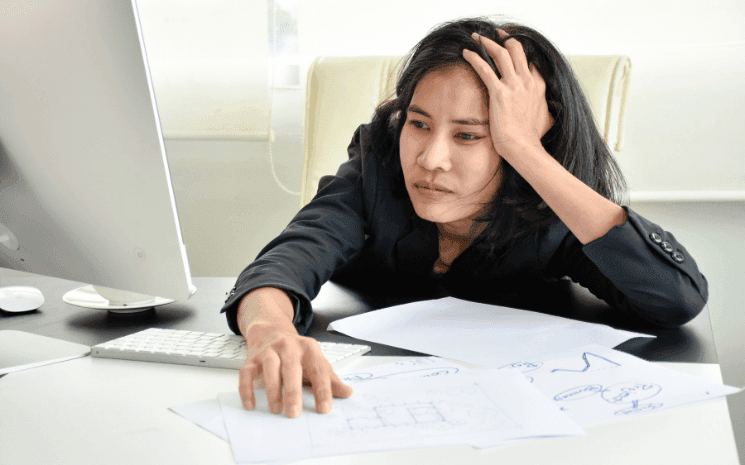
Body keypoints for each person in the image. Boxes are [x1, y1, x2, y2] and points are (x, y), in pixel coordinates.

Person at [220, 18, 708, 419]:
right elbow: (288, 260)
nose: (430, 159)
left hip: (512, 405)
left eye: (469, 135)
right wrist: (271, 331)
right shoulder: (379, 167)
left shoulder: (552, 210)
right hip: (373, 393)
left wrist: (527, 153)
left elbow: (675, 300)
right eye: (419, 124)